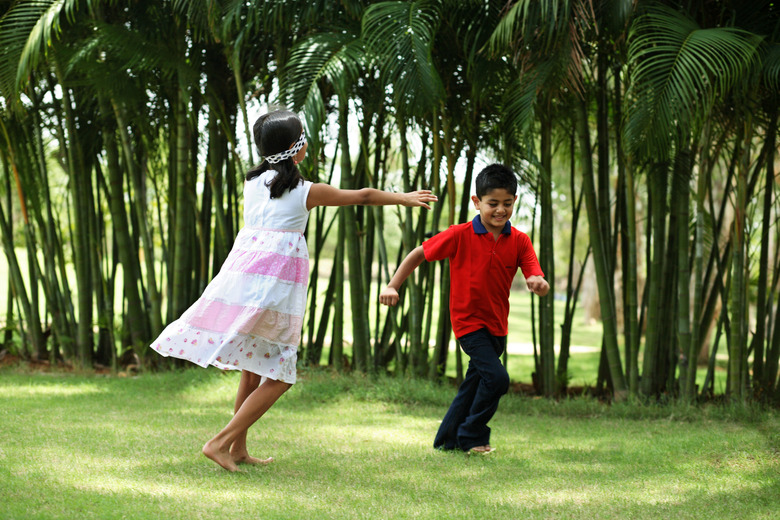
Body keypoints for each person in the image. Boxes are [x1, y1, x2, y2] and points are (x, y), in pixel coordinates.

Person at [150, 109, 437, 471]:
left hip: (242, 279)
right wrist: (404, 198)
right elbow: (362, 195)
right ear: (296, 149)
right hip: (274, 286)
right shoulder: (305, 192)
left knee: (251, 370)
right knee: (280, 376)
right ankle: (220, 442)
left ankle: (237, 449)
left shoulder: (252, 184)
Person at [379, 163, 548, 454]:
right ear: (477, 202)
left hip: (498, 325)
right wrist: (393, 285)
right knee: (497, 379)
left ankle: (447, 439)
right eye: (492, 203)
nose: (500, 210)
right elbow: (420, 253)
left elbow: (534, 272)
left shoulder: (520, 240)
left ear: (514, 203)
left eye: (507, 204)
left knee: (475, 383)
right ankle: (472, 435)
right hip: (469, 323)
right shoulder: (460, 234)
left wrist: (538, 282)